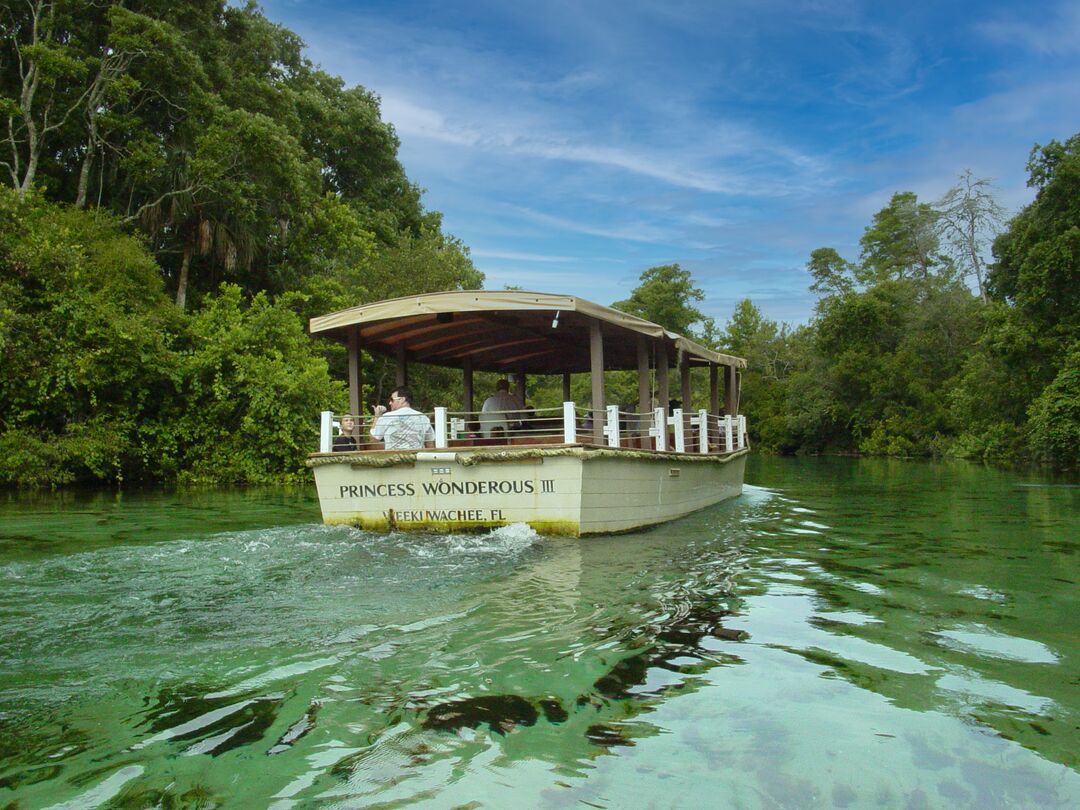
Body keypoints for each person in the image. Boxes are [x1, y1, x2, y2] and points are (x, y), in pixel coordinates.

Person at [370, 387, 434, 450]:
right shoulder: (423, 418)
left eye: (392, 400)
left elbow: (373, 440)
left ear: (402, 399)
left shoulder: (387, 417)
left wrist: (377, 416)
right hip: (416, 458)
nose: (390, 403)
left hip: (393, 458)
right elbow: (430, 445)